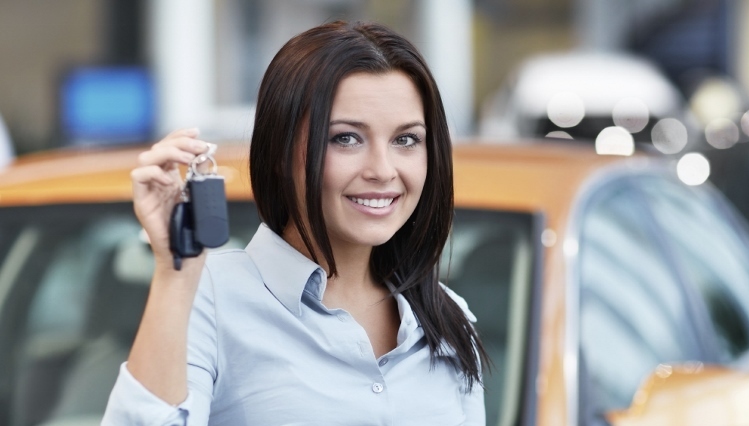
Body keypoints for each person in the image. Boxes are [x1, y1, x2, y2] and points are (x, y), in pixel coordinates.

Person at [102, 20, 487, 425]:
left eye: (406, 140)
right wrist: (176, 275)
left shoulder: (449, 320)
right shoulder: (208, 299)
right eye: (346, 138)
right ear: (280, 152)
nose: (383, 170)